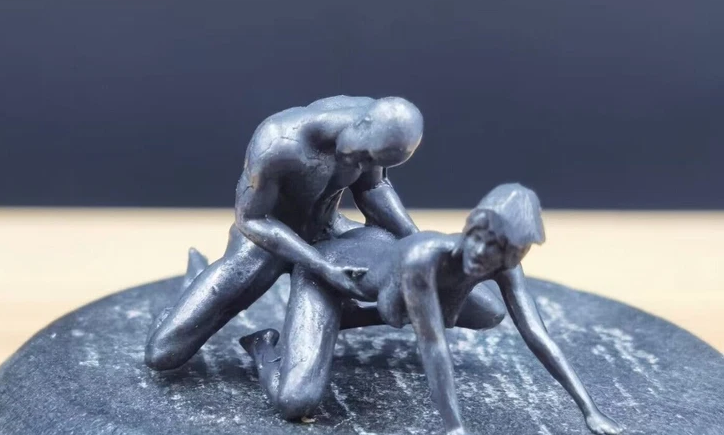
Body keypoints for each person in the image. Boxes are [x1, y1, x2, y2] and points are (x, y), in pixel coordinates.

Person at [241, 183, 621, 435]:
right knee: (296, 401)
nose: (481, 254)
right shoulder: (424, 259)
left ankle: (344, 319)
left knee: (490, 311)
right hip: (329, 272)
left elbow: (538, 336)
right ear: (472, 226)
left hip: (381, 273)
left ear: (512, 255)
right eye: (480, 238)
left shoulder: (504, 268)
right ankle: (263, 346)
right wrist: (455, 429)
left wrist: (589, 409)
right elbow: (433, 343)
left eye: (497, 251)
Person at [145, 95, 505, 370]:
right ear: (362, 126)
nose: (365, 166)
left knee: (477, 308)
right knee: (163, 353)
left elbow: (373, 190)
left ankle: (339, 319)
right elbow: (251, 220)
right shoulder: (280, 143)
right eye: (365, 158)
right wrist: (320, 265)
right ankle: (193, 294)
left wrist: (413, 239)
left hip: (331, 232)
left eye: (375, 162)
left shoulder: (374, 135)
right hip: (263, 243)